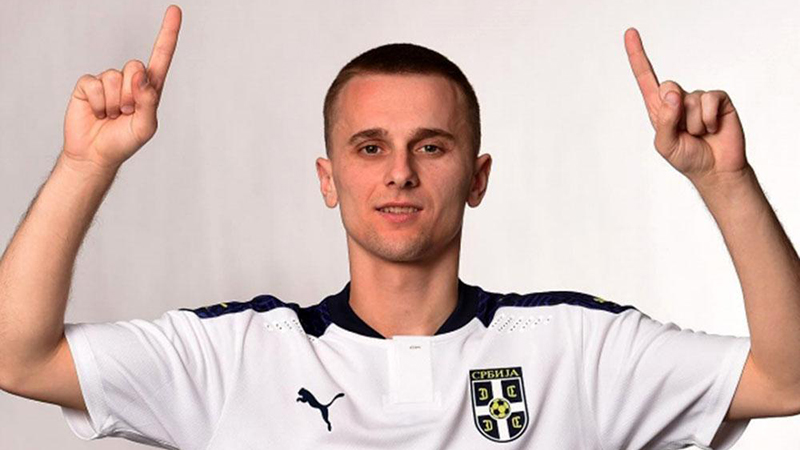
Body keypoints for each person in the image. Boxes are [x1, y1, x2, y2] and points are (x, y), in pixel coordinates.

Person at [1, 4, 799, 449]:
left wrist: (725, 182)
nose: (400, 173)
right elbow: (18, 356)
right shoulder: (235, 356)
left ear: (477, 177)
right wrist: (84, 165)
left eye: (432, 146)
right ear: (329, 179)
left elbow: (788, 381)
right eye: (370, 146)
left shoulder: (577, 349)